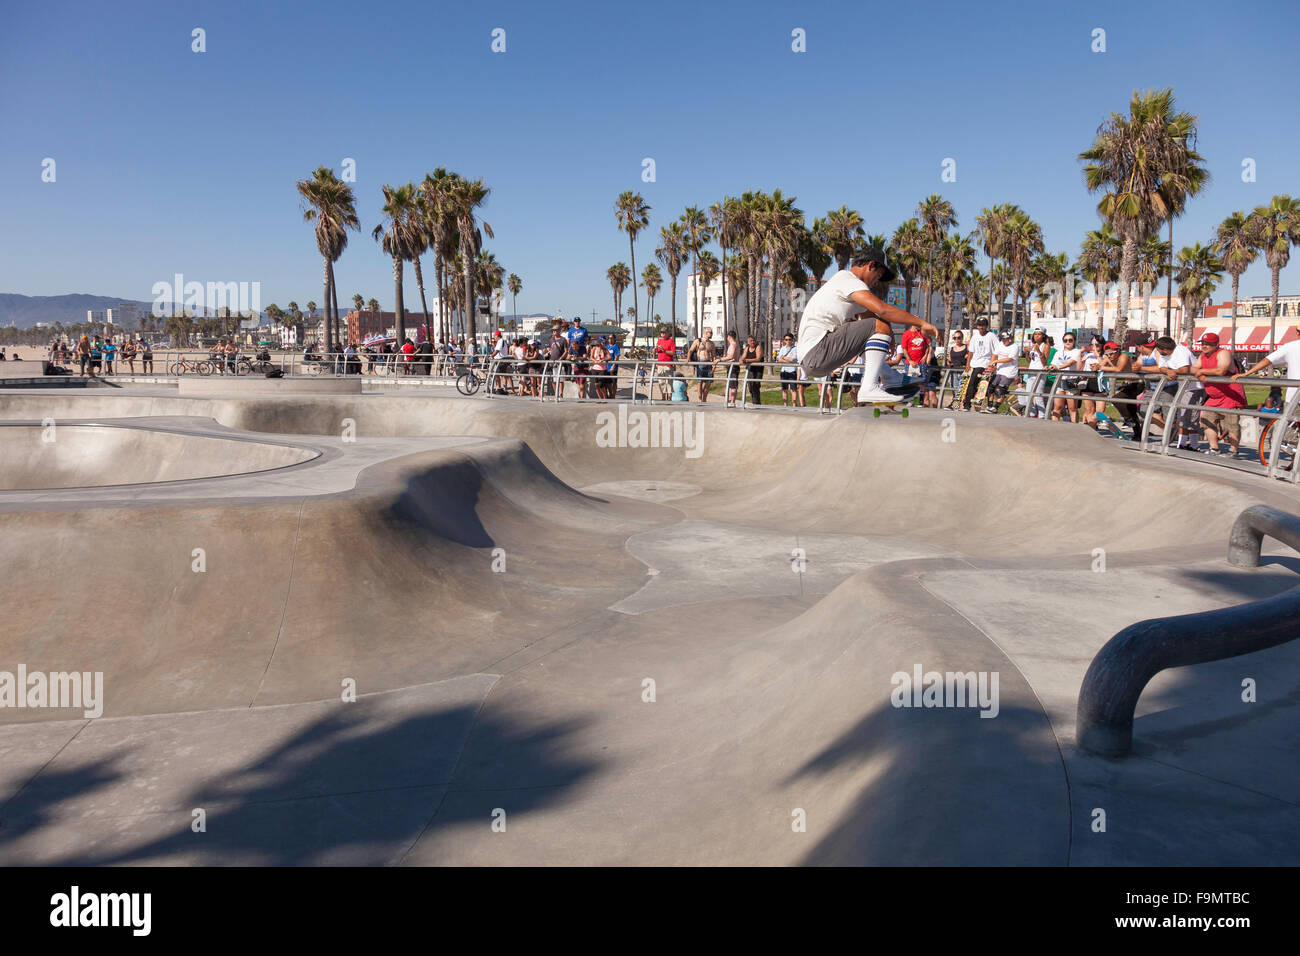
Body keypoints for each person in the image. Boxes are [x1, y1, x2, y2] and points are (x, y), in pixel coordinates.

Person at [795, 250, 937, 403]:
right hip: (817, 352)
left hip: (813, 358)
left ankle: (889, 376)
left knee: (874, 329)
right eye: (879, 275)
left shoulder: (848, 290)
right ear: (871, 265)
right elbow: (882, 310)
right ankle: (869, 387)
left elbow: (873, 317)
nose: (878, 281)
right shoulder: (848, 279)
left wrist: (887, 334)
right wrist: (921, 323)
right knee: (879, 325)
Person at [1194, 332, 1247, 457]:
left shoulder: (1224, 353)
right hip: (1213, 397)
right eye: (1203, 343)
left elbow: (1221, 371)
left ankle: (1234, 450)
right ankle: (1214, 448)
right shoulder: (1202, 356)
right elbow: (1193, 369)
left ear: (1216, 344)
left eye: (1208, 344)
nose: (1205, 346)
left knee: (1232, 424)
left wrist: (1201, 371)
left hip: (1231, 396)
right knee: (1206, 419)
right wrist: (1199, 371)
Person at [1147, 335, 1203, 449]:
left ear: (1165, 349)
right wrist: (1168, 371)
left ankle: (1194, 445)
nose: (1158, 353)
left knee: (1191, 417)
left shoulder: (1180, 351)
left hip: (1194, 388)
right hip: (1183, 388)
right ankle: (1181, 443)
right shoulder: (1165, 354)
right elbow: (1161, 367)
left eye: (1158, 350)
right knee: (1182, 416)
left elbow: (1185, 369)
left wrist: (1173, 372)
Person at [1235, 325, 1300, 406]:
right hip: (1294, 396)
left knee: (1292, 418)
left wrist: (1247, 373)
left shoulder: (1290, 347)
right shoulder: (1290, 347)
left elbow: (1267, 361)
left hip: (1294, 397)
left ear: (1297, 332)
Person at [1099, 341, 1143, 439]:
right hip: (1128, 384)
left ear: (1118, 351)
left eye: (1111, 353)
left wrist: (1102, 366)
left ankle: (1128, 420)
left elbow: (1118, 369)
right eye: (1107, 354)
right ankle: (1138, 434)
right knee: (1131, 409)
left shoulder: (1124, 356)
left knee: (1116, 399)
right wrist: (1098, 365)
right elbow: (1100, 366)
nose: (1109, 356)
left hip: (1138, 383)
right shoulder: (1109, 358)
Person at [962, 319, 998, 410]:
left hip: (987, 364)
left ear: (986, 326)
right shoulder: (975, 337)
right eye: (979, 325)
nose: (981, 327)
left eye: (983, 325)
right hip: (975, 364)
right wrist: (967, 365)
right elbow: (971, 352)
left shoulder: (992, 336)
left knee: (987, 386)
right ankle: (967, 405)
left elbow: (997, 351)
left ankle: (988, 406)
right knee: (971, 385)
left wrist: (994, 365)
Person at [1048, 332, 1083, 422]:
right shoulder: (1058, 352)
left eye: (1070, 340)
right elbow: (1053, 363)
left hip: (1072, 381)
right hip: (1060, 380)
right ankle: (1054, 427)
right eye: (1065, 340)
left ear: (1074, 341)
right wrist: (1050, 367)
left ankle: (1074, 428)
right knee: (1057, 407)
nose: (1068, 342)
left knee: (1072, 408)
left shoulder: (1077, 352)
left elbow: (1071, 363)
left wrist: (1058, 367)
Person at [986, 329, 1022, 414]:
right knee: (990, 388)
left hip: (1009, 372)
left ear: (1010, 338)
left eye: (1006, 339)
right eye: (1003, 339)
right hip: (999, 371)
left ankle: (995, 408)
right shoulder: (1000, 344)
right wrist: (991, 364)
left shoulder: (1015, 347)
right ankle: (989, 406)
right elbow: (995, 355)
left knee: (999, 389)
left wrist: (996, 362)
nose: (1004, 341)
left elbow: (1010, 359)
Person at [1021, 328, 1050, 418]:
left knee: (1038, 394)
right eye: (1035, 334)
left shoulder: (1045, 346)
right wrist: (1026, 353)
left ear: (1043, 336)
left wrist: (1039, 351)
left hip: (1040, 372)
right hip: (1031, 371)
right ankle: (1032, 413)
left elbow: (1045, 362)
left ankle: (1042, 415)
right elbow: (1030, 360)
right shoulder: (1033, 345)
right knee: (1028, 394)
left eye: (1039, 334)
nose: (1036, 336)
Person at [686, 328, 719, 403]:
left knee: (708, 382)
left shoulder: (711, 343)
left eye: (712, 333)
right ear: (706, 333)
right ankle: (700, 399)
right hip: (700, 362)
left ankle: (704, 398)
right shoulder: (698, 341)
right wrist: (688, 359)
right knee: (699, 382)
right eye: (710, 333)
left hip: (709, 363)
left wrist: (714, 366)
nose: (711, 334)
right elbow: (690, 350)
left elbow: (714, 356)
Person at [776, 333, 802, 407]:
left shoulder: (795, 349)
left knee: (793, 389)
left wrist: (783, 358)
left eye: (789, 339)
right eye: (786, 339)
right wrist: (786, 359)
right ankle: (785, 405)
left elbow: (793, 359)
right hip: (783, 371)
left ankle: (794, 405)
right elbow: (778, 359)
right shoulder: (782, 348)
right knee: (784, 389)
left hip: (792, 371)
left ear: (792, 340)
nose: (788, 341)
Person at [943, 332, 968, 409]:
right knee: (954, 389)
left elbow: (970, 359)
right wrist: (948, 362)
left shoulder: (966, 347)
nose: (957, 340)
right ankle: (955, 406)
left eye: (959, 337)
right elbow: (950, 359)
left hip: (963, 371)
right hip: (953, 371)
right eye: (955, 338)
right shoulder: (952, 348)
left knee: (961, 390)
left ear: (962, 338)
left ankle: (963, 406)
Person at [718, 331, 741, 407]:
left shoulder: (733, 345)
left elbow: (731, 356)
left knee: (733, 385)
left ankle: (732, 401)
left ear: (729, 337)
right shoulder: (734, 344)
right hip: (732, 366)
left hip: (733, 367)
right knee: (731, 384)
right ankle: (731, 400)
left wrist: (720, 359)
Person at [740, 335, 764, 406]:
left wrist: (747, 360)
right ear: (748, 342)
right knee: (750, 386)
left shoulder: (758, 347)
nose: (753, 342)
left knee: (755, 386)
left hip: (758, 370)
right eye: (751, 341)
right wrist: (741, 359)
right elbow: (743, 357)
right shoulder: (747, 348)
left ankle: (757, 404)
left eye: (754, 340)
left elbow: (758, 358)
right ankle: (754, 402)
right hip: (750, 370)